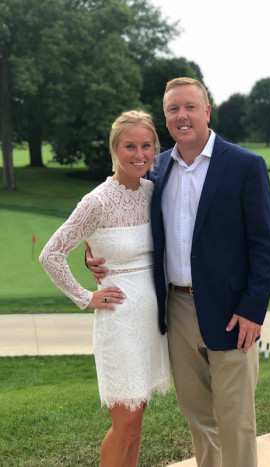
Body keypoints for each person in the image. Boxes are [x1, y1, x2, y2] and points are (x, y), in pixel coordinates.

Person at [87, 78, 270, 467]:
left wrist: (253, 310)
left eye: (190, 106)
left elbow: (265, 246)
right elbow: (118, 219)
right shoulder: (155, 170)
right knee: (198, 416)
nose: (182, 115)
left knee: (235, 419)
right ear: (166, 118)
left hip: (232, 313)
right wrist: (94, 255)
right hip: (175, 308)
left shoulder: (245, 165)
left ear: (207, 112)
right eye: (173, 109)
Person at [39, 110, 171, 467]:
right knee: (124, 426)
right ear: (115, 148)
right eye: (130, 146)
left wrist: (90, 251)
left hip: (152, 324)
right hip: (120, 323)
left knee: (137, 424)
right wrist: (86, 296)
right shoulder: (96, 201)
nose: (139, 154)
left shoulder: (153, 192)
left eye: (147, 146)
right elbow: (50, 254)